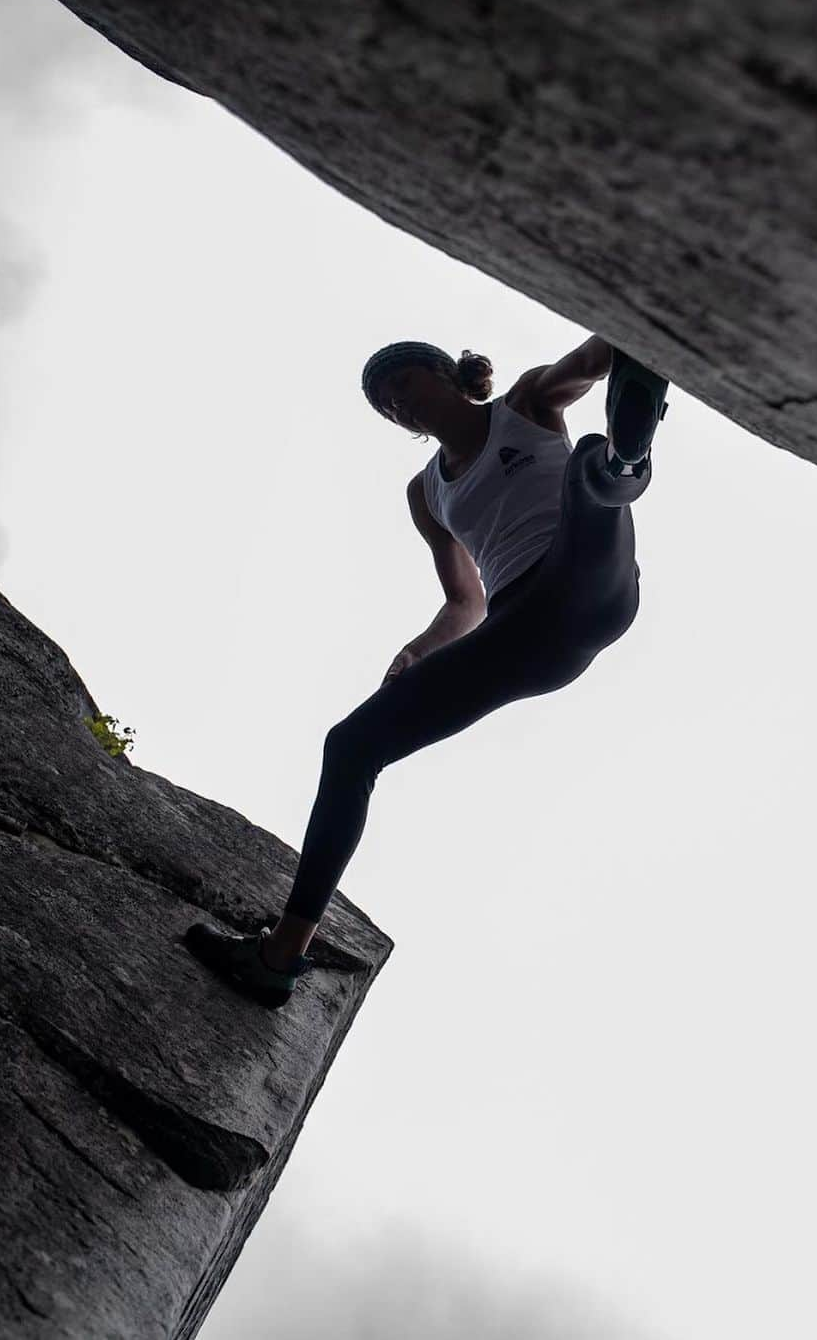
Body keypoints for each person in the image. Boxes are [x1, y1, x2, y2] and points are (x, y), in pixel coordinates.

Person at [184, 337, 670, 1007]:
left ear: (443, 375)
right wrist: (418, 651)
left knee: (591, 462)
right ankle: (278, 958)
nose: (394, 399)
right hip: (519, 635)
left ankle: (627, 451)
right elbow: (464, 602)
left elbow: (596, 356)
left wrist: (641, 325)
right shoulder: (426, 495)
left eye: (400, 381)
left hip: (586, 575)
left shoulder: (525, 403)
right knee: (350, 746)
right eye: (383, 402)